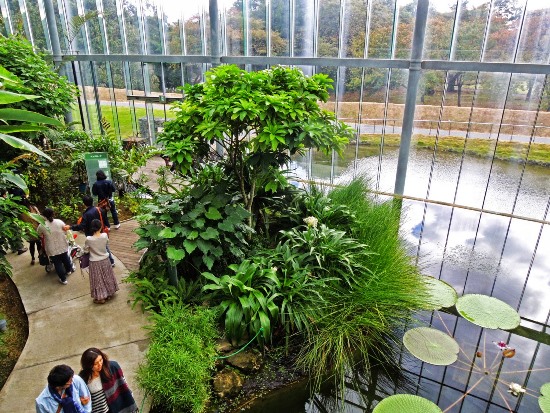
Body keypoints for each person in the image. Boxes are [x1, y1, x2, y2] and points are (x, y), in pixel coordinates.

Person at [79, 348, 138, 413]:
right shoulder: (83, 378)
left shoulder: (113, 367)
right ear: (88, 365)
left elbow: (123, 383)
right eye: (96, 363)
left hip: (119, 407)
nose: (100, 364)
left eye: (100, 360)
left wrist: (129, 396)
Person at [67, 195, 114, 267]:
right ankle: (111, 261)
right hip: (101, 232)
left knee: (93, 249)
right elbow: (105, 221)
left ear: (84, 204)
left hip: (91, 234)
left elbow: (81, 226)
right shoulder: (100, 209)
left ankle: (98, 262)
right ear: (92, 202)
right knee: (105, 247)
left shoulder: (86, 214)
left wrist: (71, 227)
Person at [84, 219, 119, 304]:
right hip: (105, 260)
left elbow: (85, 251)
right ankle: (109, 293)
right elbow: (106, 243)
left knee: (98, 280)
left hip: (94, 262)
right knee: (107, 276)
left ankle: (101, 298)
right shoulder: (104, 236)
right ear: (100, 227)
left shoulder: (88, 239)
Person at [37, 207, 75, 285]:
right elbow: (66, 230)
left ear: (44, 216)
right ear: (53, 214)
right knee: (65, 258)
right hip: (62, 244)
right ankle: (68, 271)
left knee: (57, 263)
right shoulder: (59, 222)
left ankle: (63, 280)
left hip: (51, 247)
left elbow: (38, 234)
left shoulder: (42, 225)